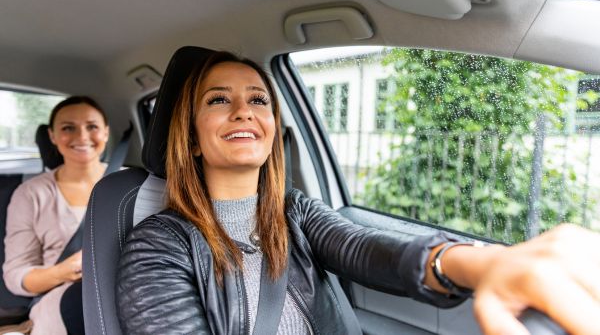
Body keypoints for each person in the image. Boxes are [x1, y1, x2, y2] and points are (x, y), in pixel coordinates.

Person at [116, 51, 600, 335]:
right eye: (219, 99)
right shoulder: (156, 246)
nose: (244, 111)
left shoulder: (295, 212)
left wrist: (483, 262)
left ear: (271, 127)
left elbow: (365, 248)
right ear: (191, 137)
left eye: (258, 99)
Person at [3, 96, 110, 335]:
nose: (82, 137)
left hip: (128, 288)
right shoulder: (31, 193)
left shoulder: (132, 183)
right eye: (68, 128)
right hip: (61, 300)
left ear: (105, 132)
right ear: (52, 136)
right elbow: (15, 275)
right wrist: (62, 271)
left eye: (91, 126)